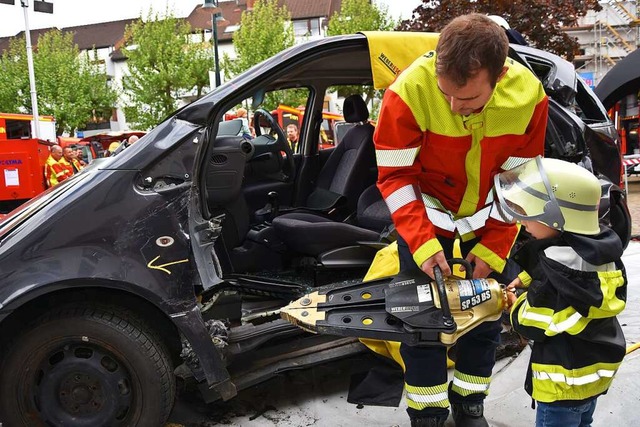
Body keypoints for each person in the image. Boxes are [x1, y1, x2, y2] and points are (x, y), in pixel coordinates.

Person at [373, 13, 549, 427]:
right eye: (446, 94)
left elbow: (520, 183)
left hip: (489, 221)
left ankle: (470, 404)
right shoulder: (408, 93)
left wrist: (492, 249)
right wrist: (421, 242)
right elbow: (395, 177)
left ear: (501, 74)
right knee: (420, 317)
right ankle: (427, 412)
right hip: (424, 218)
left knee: (485, 314)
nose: (455, 107)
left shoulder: (529, 98)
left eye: (467, 100)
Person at [498, 157, 627, 427]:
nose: (524, 224)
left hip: (562, 384)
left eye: (529, 216)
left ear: (556, 218)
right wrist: (525, 277)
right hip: (593, 375)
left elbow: (534, 322)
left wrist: (514, 305)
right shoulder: (596, 249)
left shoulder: (556, 274)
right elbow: (557, 270)